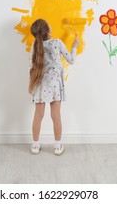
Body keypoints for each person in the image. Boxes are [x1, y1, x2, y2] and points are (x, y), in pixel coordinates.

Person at [29, 19, 80, 155]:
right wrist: (75, 45)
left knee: (38, 115)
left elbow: (31, 66)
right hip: (55, 84)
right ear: (48, 30)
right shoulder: (57, 43)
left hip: (40, 82)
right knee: (55, 115)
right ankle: (57, 147)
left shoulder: (35, 45)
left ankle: (35, 145)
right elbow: (71, 60)